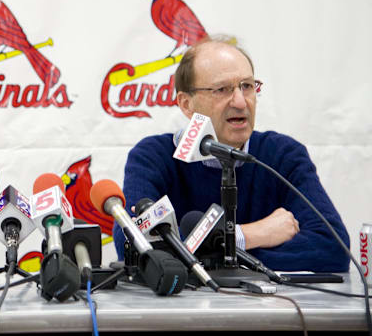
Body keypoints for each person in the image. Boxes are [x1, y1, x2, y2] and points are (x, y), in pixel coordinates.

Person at [112, 35, 350, 272]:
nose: (239, 101)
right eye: (222, 89)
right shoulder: (153, 157)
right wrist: (248, 235)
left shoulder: (283, 155)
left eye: (247, 86)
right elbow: (134, 248)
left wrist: (205, 254)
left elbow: (332, 248)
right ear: (186, 104)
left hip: (270, 308)